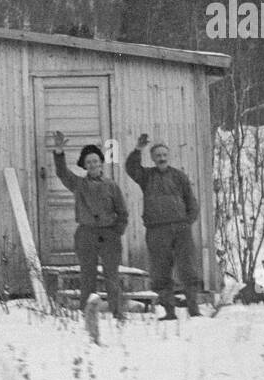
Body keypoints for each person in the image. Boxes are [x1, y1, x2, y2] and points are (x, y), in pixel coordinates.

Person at [51, 131, 129, 321]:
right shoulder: (79, 184)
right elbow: (62, 172)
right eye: (89, 162)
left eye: (95, 161)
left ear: (101, 163)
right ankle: (88, 314)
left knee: (112, 274)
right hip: (86, 234)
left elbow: (123, 212)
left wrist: (117, 231)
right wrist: (59, 151)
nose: (92, 165)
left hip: (109, 235)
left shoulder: (111, 185)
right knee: (88, 275)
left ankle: (118, 314)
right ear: (85, 166)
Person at [125, 133, 203, 319]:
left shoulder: (179, 176)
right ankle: (169, 311)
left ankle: (194, 310)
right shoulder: (147, 176)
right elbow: (131, 168)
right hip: (157, 231)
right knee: (161, 271)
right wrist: (138, 149)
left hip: (180, 230)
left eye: (164, 155)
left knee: (188, 269)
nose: (161, 158)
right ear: (152, 158)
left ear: (168, 156)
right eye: (158, 155)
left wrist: (186, 222)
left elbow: (191, 202)